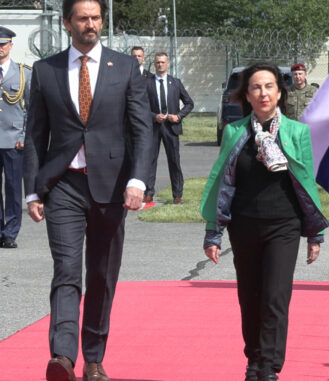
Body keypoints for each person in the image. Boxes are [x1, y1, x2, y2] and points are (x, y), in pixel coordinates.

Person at [23, 1, 153, 380]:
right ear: (67, 24)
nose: (92, 24)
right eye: (83, 18)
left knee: (100, 273)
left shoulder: (125, 67)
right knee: (66, 271)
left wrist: (138, 181)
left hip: (112, 186)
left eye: (96, 18)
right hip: (63, 185)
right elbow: (34, 135)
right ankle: (62, 357)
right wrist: (33, 191)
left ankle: (94, 359)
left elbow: (142, 130)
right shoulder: (45, 71)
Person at [200, 62, 329, 381]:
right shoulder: (234, 132)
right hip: (244, 226)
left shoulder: (297, 131)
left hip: (283, 226)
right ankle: (254, 360)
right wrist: (213, 232)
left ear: (279, 92)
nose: (263, 93)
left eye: (269, 86)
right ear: (247, 94)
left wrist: (314, 234)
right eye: (256, 87)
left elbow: (306, 182)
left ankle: (270, 366)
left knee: (275, 296)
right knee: (250, 296)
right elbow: (221, 182)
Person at [144, 52, 193, 204]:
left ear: (168, 63)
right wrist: (153, 116)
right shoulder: (147, 83)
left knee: (174, 161)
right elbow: (141, 106)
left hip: (171, 127)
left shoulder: (175, 83)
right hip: (154, 127)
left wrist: (178, 116)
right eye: (157, 62)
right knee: (150, 160)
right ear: (154, 64)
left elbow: (189, 103)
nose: (160, 65)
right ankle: (149, 192)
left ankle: (177, 195)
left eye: (162, 62)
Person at [0, 26, 31, 249]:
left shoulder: (23, 73)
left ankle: (10, 232)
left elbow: (32, 108)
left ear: (11, 45)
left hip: (13, 139)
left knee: (12, 188)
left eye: (3, 44)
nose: (0, 48)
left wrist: (25, 135)